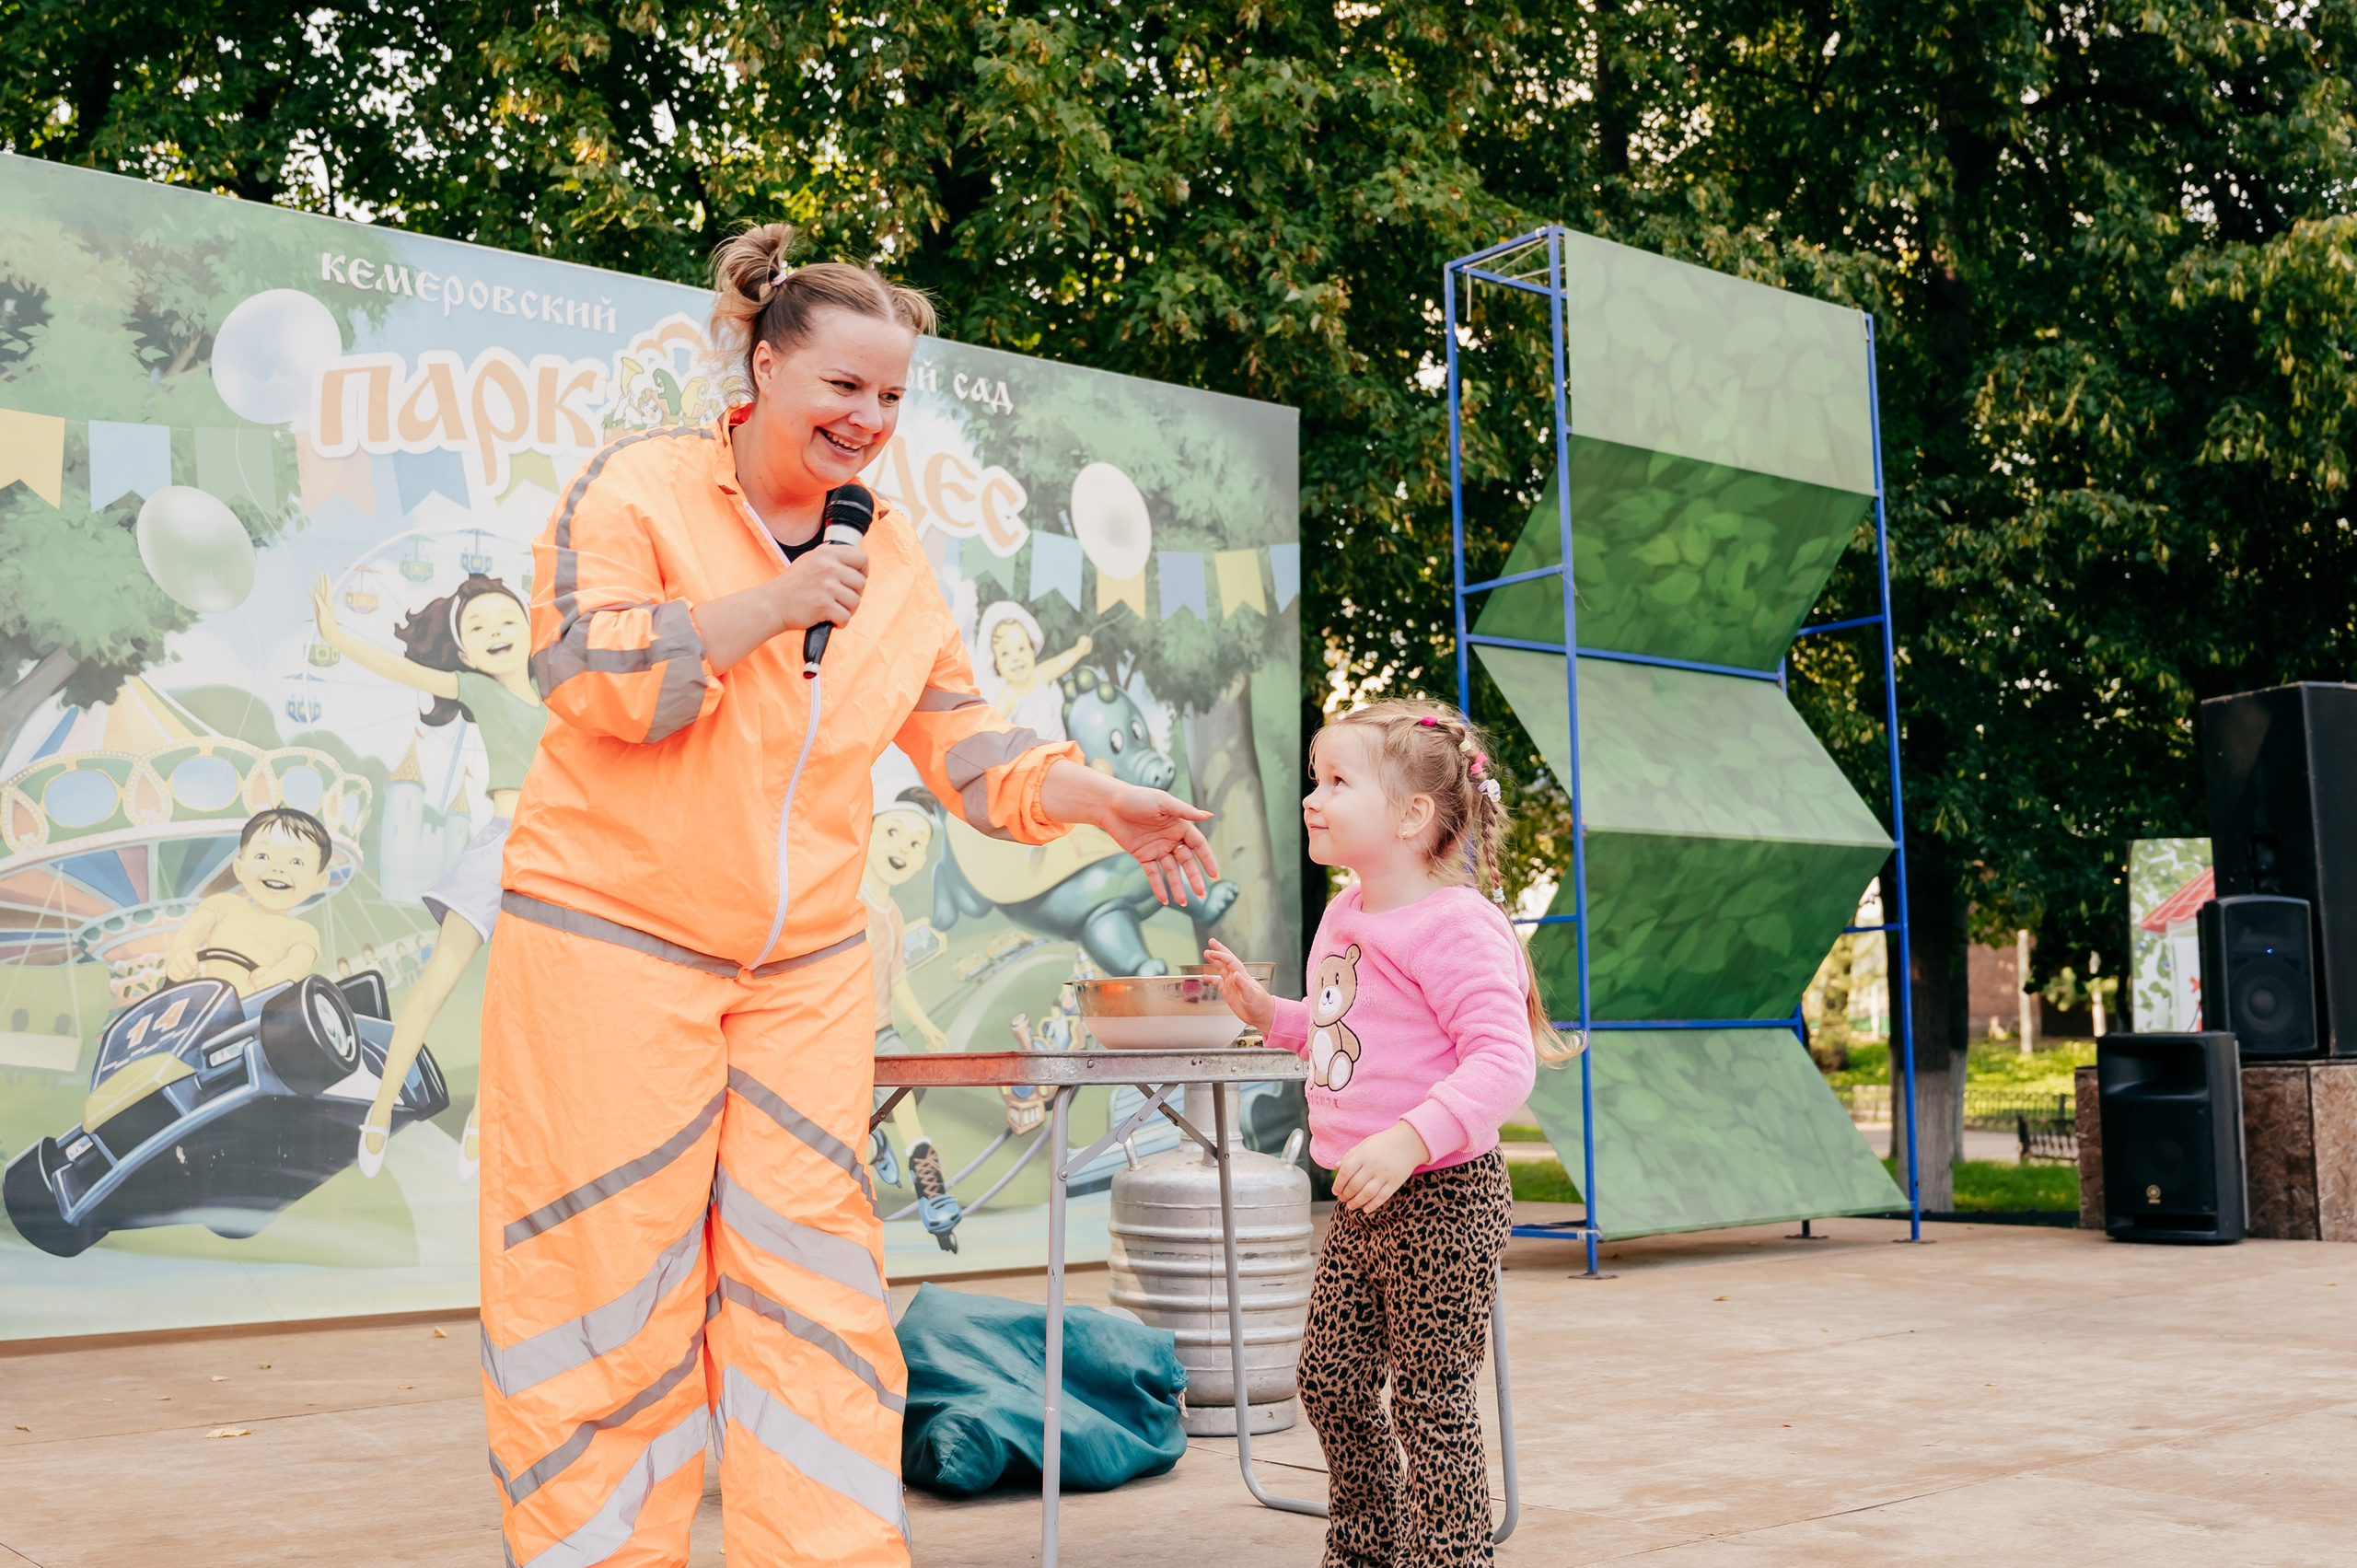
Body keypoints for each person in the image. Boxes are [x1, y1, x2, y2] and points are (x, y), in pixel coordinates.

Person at [477, 225, 1220, 1568]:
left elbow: (964, 741)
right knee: (604, 1284)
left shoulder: (893, 553)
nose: (868, 419)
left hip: (803, 965)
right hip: (609, 939)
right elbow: (587, 673)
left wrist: (1093, 795)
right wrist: (772, 602)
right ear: (764, 365)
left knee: (814, 1290)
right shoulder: (639, 487)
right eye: (843, 386)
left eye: (889, 395)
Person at [1203, 699, 1578, 1568]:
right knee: (1329, 1381)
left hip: (1445, 1199)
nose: (1313, 797)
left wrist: (1411, 1138)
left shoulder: (1458, 924)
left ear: (1412, 816)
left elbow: (1502, 1060)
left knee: (1429, 1400)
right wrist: (1270, 1015)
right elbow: (1343, 1028)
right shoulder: (1346, 913)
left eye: (1338, 780)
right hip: (1365, 1200)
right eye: (1315, 779)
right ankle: (1368, 1545)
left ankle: (1449, 1557)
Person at [312, 569, 547, 1180]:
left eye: (507, 620)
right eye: (479, 627)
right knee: (435, 985)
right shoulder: (479, 690)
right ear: (465, 652)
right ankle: (379, 1111)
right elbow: (404, 672)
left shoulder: (562, 694)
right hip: (501, 848)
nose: (496, 632)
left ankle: (483, 1121)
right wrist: (336, 636)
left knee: (518, 999)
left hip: (553, 858)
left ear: (530, 628)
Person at [858, 756, 964, 1249]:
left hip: (881, 1033)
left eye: (916, 842)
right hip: (837, 1035)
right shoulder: (847, 900)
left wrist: (923, 1024)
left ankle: (933, 1192)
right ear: (867, 831)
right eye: (892, 832)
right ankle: (873, 1144)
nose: (902, 848)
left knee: (905, 1106)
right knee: (849, 1120)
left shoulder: (894, 915)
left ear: (923, 859)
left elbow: (896, 978)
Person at [165, 808, 336, 996]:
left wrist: (276, 977)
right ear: (239, 868)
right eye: (262, 857)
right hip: (214, 1002)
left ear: (320, 881)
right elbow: (189, 933)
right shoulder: (223, 904)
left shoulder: (303, 932)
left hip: (261, 1008)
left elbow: (298, 961)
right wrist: (180, 956)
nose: (277, 868)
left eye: (296, 861)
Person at [978, 599, 1090, 740]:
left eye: (1021, 649)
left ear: (1032, 650)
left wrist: (1079, 650)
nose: (1015, 658)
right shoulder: (1009, 696)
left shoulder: (1040, 674)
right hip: (1034, 752)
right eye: (1005, 654)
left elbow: (1060, 662)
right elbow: (991, 726)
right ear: (996, 664)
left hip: (1059, 744)